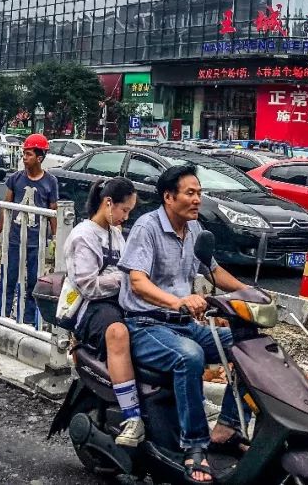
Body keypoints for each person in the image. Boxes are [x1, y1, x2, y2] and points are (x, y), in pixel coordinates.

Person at [117, 164, 252, 484]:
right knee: (189, 355)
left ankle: (228, 427)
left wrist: (251, 294)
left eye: (199, 193)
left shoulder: (194, 232)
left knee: (248, 346)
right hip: (145, 324)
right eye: (190, 193)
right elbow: (137, 281)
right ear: (168, 197)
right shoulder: (146, 228)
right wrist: (177, 301)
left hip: (183, 325)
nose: (197, 200)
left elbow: (214, 272)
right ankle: (194, 447)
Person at [63, 176, 144, 446]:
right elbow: (89, 286)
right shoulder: (83, 236)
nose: (126, 216)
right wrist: (125, 280)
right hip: (90, 307)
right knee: (118, 333)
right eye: (124, 210)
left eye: (130, 212)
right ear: (108, 203)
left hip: (116, 301)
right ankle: (133, 417)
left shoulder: (116, 233)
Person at [0, 133, 57, 325]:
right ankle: (3, 313)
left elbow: (53, 211)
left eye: (29, 154)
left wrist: (55, 238)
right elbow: (5, 206)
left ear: (39, 158)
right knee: (9, 278)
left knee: (34, 282)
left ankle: (28, 320)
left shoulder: (50, 182)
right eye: (24, 154)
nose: (24, 158)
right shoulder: (15, 178)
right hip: (16, 238)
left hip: (36, 241)